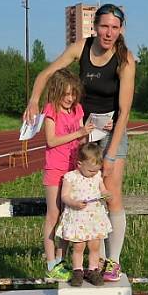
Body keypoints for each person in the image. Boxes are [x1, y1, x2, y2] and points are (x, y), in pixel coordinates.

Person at [24, 3, 134, 282]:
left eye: (114, 27)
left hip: (111, 129)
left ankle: (112, 261)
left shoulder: (125, 60)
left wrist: (110, 155)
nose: (108, 33)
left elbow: (125, 112)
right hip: (84, 129)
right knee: (76, 190)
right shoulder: (81, 48)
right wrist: (34, 101)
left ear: (121, 30)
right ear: (95, 27)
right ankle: (72, 261)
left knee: (111, 193)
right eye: (104, 26)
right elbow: (45, 74)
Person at [41, 68, 94, 281]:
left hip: (74, 170)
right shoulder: (50, 110)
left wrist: (90, 133)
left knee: (67, 216)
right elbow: (51, 140)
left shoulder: (78, 109)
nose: (70, 99)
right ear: (56, 92)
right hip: (55, 168)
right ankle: (51, 262)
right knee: (53, 215)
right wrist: (78, 133)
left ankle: (62, 261)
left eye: (73, 94)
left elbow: (82, 140)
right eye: (66, 94)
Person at [55, 143, 112, 287]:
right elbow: (65, 196)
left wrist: (106, 195)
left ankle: (93, 270)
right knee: (78, 246)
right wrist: (73, 203)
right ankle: (77, 271)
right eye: (90, 170)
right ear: (79, 164)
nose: (93, 173)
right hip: (78, 217)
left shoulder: (97, 176)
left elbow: (103, 190)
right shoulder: (70, 177)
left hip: (94, 217)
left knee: (94, 246)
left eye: (96, 170)